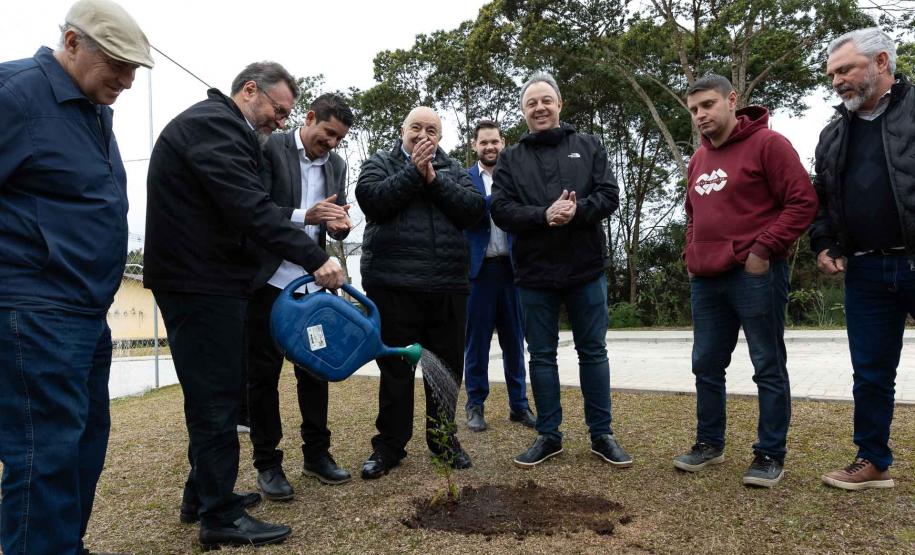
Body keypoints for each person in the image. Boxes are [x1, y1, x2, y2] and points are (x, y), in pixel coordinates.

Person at [144, 62, 345, 549]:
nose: (280, 121)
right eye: (278, 110)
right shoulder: (214, 126)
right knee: (216, 399)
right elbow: (250, 208)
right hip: (199, 281)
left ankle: (202, 494)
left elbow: (249, 206)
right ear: (249, 90)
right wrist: (316, 257)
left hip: (213, 280)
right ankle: (220, 517)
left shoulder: (227, 130)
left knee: (221, 392)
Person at [0, 2, 152, 553]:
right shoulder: (15, 94)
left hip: (87, 311)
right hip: (35, 308)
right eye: (117, 63)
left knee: (84, 445)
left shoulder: (92, 108)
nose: (128, 80)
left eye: (135, 69)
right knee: (44, 452)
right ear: (71, 43)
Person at [674, 74, 818, 487]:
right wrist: (692, 253)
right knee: (705, 364)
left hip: (756, 275)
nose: (700, 114)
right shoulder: (698, 159)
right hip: (707, 279)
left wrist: (763, 250)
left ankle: (770, 453)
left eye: (707, 105)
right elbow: (692, 214)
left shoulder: (769, 145)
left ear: (731, 100)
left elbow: (802, 201)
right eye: (694, 109)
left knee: (767, 364)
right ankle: (709, 444)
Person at [491, 71, 631, 469]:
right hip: (534, 275)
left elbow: (609, 195)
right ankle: (548, 434)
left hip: (585, 269)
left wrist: (576, 210)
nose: (539, 107)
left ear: (559, 105)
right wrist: (543, 214)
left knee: (594, 352)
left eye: (545, 100)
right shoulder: (511, 159)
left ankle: (601, 434)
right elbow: (500, 210)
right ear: (523, 111)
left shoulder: (588, 146)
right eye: (531, 102)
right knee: (541, 356)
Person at [355, 106, 485, 479]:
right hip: (393, 284)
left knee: (444, 369)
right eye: (416, 127)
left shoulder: (454, 170)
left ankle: (443, 440)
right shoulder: (380, 162)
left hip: (447, 287)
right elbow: (373, 201)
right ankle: (390, 445)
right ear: (403, 129)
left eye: (432, 129)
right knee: (395, 370)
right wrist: (413, 171)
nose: (423, 134)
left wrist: (433, 180)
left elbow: (474, 211)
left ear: (441, 137)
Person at [810, 27, 913, 491]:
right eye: (832, 74)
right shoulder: (833, 133)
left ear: (882, 63)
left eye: (846, 69)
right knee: (870, 374)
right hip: (866, 269)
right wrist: (824, 243)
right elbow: (822, 200)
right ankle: (873, 460)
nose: (837, 81)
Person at [246, 93, 354, 500]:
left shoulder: (338, 165)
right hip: (269, 280)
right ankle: (268, 464)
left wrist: (340, 225)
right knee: (263, 376)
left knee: (315, 369)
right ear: (309, 118)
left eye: (337, 141)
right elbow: (254, 209)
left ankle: (317, 454)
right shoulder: (270, 146)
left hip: (313, 284)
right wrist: (301, 215)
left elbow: (331, 222)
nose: (329, 146)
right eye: (326, 135)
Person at [463, 119, 535, 432]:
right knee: (475, 343)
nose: (489, 147)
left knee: (514, 342)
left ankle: (519, 406)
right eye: (484, 142)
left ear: (502, 143)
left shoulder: (517, 177)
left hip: (512, 270)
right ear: (474, 146)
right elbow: (469, 212)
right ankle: (475, 405)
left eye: (494, 141)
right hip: (479, 272)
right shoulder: (464, 180)